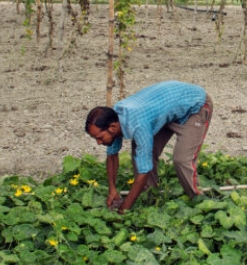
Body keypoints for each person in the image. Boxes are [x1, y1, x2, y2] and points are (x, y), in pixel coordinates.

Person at [84, 81, 212, 213]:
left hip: (194, 106)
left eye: (99, 137)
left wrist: (123, 210)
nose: (98, 143)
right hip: (164, 109)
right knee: (142, 153)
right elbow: (112, 155)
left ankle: (200, 203)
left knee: (182, 159)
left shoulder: (138, 125)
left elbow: (143, 172)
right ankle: (150, 200)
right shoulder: (115, 117)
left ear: (112, 127)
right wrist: (112, 189)